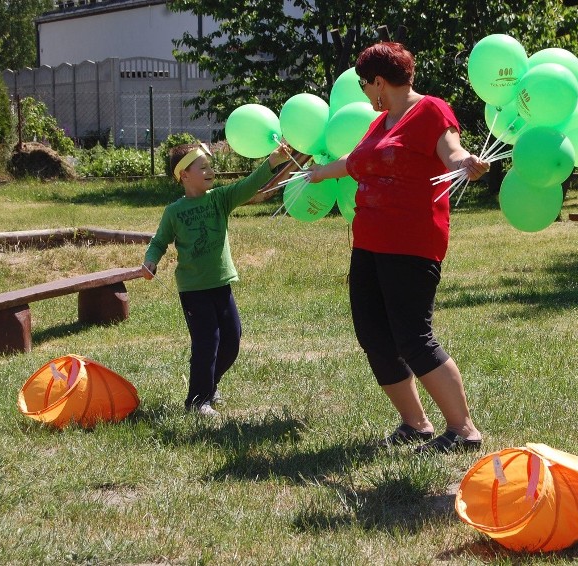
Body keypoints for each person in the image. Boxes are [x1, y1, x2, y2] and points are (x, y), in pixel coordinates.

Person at [307, 42, 489, 453]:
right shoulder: (382, 122)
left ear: (378, 82)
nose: (363, 91)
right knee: (374, 336)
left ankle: (463, 431)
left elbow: (451, 149)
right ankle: (416, 424)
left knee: (413, 338)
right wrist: (319, 174)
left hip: (411, 243)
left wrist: (464, 163)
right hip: (369, 243)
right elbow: (357, 163)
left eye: (363, 83)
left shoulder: (430, 111)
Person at [143, 141, 291, 416]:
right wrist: (150, 260)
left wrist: (273, 160)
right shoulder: (174, 212)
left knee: (232, 341)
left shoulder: (220, 198)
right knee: (207, 343)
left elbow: (249, 185)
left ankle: (209, 386)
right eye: (203, 167)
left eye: (211, 166)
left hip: (221, 284)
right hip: (193, 289)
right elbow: (160, 241)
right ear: (184, 175)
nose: (211, 171)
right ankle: (197, 401)